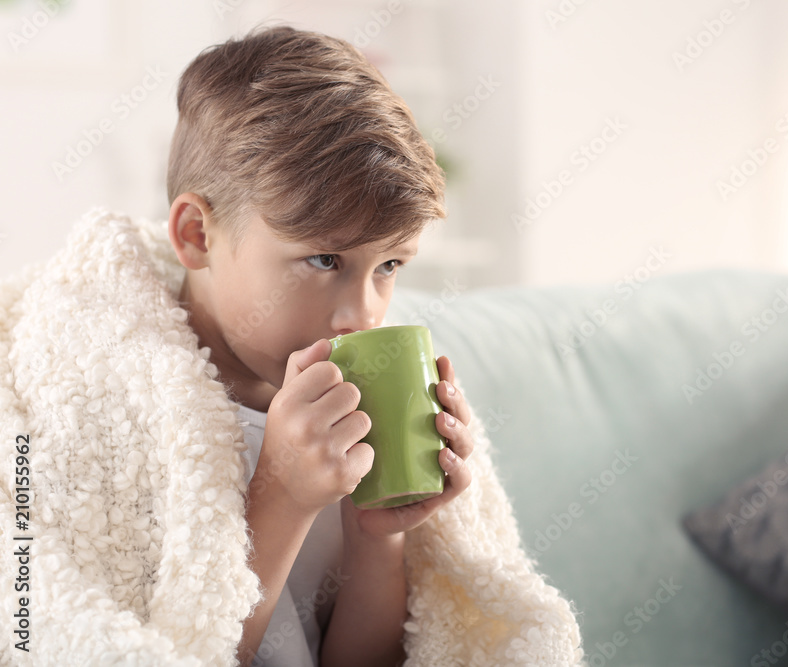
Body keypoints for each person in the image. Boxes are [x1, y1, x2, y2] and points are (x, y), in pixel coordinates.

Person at [0, 25, 582, 667]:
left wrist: (377, 533)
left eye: (389, 266)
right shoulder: (105, 399)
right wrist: (280, 494)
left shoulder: (356, 400)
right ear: (197, 235)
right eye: (324, 259)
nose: (361, 313)